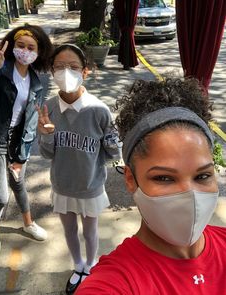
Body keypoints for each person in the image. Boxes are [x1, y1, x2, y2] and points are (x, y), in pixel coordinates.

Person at [75, 77, 226, 294]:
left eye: (202, 176)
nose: (189, 194)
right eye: (164, 178)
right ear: (130, 179)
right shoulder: (116, 282)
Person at [37, 44, 121, 294]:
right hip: (62, 184)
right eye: (59, 66)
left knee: (91, 230)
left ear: (85, 72)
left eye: (73, 67)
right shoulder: (48, 108)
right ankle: (78, 265)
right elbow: (46, 154)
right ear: (51, 71)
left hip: (91, 185)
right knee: (69, 229)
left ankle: (91, 266)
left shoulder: (99, 110)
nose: (66, 72)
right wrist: (47, 135)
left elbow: (112, 153)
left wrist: (113, 139)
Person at [0, 24, 54, 254]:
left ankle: (28, 223)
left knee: (18, 184)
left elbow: (29, 121)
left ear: (38, 52)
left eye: (30, 47)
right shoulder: (1, 68)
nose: (25, 51)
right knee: (1, 195)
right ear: (12, 46)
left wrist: (21, 156)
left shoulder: (36, 81)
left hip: (17, 140)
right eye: (20, 46)